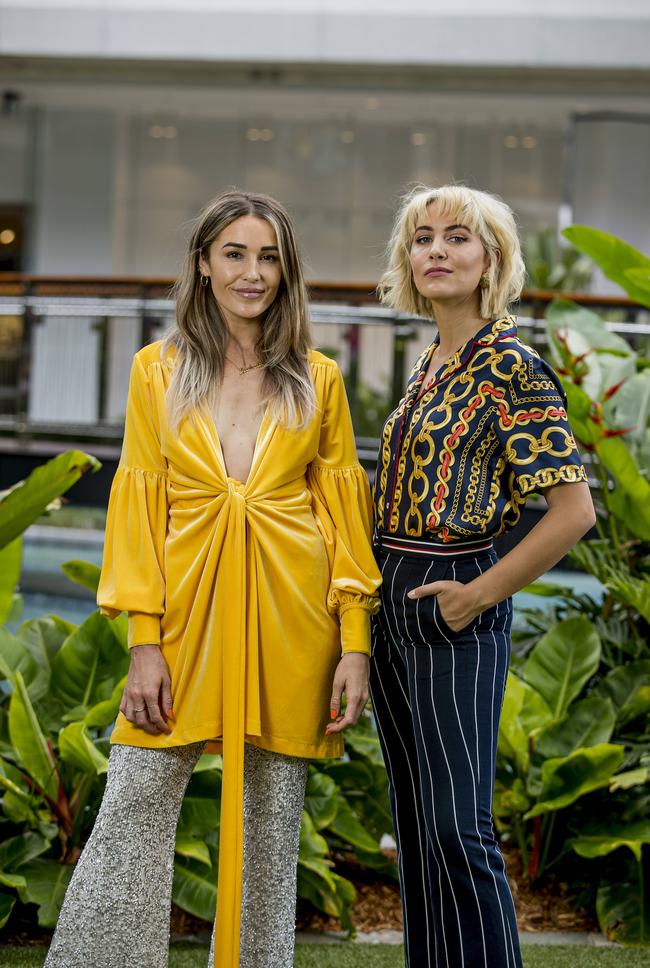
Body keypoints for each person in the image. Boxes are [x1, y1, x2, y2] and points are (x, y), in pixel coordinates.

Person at [45, 190, 381, 968]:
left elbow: (339, 515)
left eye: (269, 257)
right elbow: (140, 507)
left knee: (270, 826)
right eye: (235, 253)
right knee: (134, 801)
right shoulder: (154, 371)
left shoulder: (317, 378)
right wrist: (143, 641)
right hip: (186, 614)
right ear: (202, 264)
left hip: (291, 616)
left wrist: (354, 643)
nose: (252, 273)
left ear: (287, 271)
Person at [370, 184, 595, 968]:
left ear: (491, 260)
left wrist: (478, 595)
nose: (436, 250)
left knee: (457, 830)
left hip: (454, 595)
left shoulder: (512, 366)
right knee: (419, 828)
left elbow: (573, 512)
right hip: (392, 601)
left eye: (457, 238)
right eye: (423, 238)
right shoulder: (431, 362)